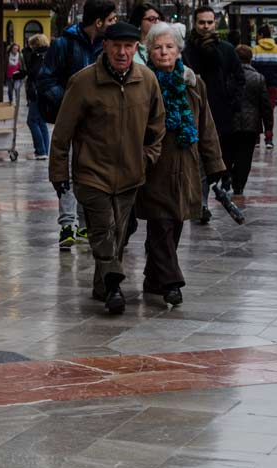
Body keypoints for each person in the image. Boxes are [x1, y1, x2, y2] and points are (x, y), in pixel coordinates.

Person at [49, 22, 165, 314]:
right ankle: (114, 286)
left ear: (136, 48)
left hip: (130, 174)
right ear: (106, 47)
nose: (122, 53)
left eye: (128, 47)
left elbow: (157, 126)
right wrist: (60, 175)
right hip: (92, 173)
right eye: (116, 46)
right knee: (102, 230)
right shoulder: (84, 82)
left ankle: (103, 287)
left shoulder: (147, 80)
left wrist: (148, 157)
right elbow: (62, 134)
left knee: (119, 235)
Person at [137, 22, 225, 306]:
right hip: (154, 164)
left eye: (169, 47)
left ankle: (153, 278)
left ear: (178, 50)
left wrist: (215, 165)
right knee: (160, 221)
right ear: (149, 51)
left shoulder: (193, 82)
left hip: (186, 163)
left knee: (175, 222)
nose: (164, 53)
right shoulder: (141, 82)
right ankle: (172, 282)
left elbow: (206, 125)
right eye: (158, 47)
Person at [37, 0, 118, 249]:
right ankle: (67, 225)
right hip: (69, 120)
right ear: (99, 22)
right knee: (68, 174)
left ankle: (85, 224)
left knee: (90, 173)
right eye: (112, 19)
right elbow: (45, 79)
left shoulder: (108, 48)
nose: (115, 24)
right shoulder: (64, 44)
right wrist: (72, 102)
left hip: (98, 124)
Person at [183, 6, 245, 223]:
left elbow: (239, 78)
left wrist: (231, 101)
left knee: (216, 160)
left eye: (210, 22)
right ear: (195, 23)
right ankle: (201, 204)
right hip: (194, 113)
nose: (206, 27)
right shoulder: (186, 49)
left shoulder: (226, 49)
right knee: (198, 160)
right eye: (202, 23)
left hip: (221, 114)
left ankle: (210, 196)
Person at [230, 45, 273, 195]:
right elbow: (265, 105)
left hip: (231, 121)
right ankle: (239, 184)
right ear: (250, 59)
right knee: (246, 156)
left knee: (229, 151)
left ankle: (228, 177)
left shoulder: (229, 76)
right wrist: (268, 126)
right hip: (251, 124)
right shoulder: (258, 78)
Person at [252, 25, 277, 149]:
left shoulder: (255, 50)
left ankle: (256, 138)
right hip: (273, 86)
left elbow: (252, 68)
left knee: (256, 111)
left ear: (261, 35)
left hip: (257, 85)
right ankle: (269, 139)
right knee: (269, 111)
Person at [23, 34, 51, 160]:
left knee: (32, 121)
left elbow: (33, 72)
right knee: (42, 121)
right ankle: (45, 150)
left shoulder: (38, 56)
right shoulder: (49, 54)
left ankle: (40, 150)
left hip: (37, 92)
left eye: (32, 45)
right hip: (46, 91)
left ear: (36, 45)